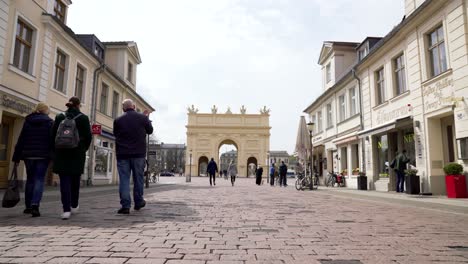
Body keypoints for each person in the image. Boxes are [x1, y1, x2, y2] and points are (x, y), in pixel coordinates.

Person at [51, 97, 92, 220]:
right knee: (75, 180)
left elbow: (53, 135)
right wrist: (83, 149)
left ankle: (66, 209)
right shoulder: (83, 118)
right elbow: (88, 137)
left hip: (62, 152)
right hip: (77, 153)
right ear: (79, 105)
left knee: (64, 181)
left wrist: (55, 151)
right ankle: (74, 205)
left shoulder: (59, 116)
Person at [12, 103, 53, 217]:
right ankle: (35, 205)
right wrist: (52, 156)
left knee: (30, 179)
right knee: (39, 179)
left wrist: (16, 157)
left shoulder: (28, 121)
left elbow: (21, 140)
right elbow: (52, 141)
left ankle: (28, 206)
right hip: (43, 156)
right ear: (46, 111)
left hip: (28, 155)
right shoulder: (49, 123)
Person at [114, 99, 153, 214]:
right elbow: (150, 131)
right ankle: (138, 202)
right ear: (134, 107)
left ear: (123, 108)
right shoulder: (142, 118)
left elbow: (116, 134)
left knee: (124, 180)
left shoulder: (118, 120)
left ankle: (125, 206)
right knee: (138, 179)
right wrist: (146, 118)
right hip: (138, 154)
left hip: (123, 154)